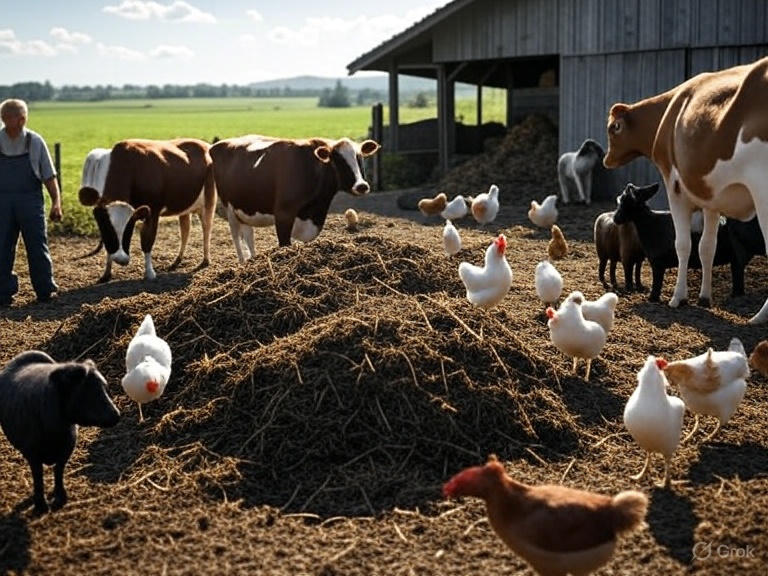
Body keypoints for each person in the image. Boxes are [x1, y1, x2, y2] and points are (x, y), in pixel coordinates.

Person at [0, 98, 62, 307]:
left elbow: (49, 176)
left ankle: (45, 290)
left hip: (30, 201)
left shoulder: (35, 142)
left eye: (11, 118)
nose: (7, 121)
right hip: (2, 203)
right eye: (4, 117)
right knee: (2, 247)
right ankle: (3, 292)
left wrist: (56, 202)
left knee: (37, 246)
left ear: (22, 119)